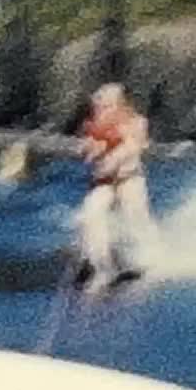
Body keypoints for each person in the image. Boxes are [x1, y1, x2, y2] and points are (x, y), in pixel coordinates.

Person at [75, 82, 158, 293]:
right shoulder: (94, 124)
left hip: (129, 179)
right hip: (103, 182)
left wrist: (112, 159)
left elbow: (132, 147)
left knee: (135, 216)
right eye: (99, 101)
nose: (101, 105)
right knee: (91, 214)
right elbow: (85, 150)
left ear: (121, 104)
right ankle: (98, 263)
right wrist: (90, 150)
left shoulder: (136, 122)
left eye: (107, 102)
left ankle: (150, 258)